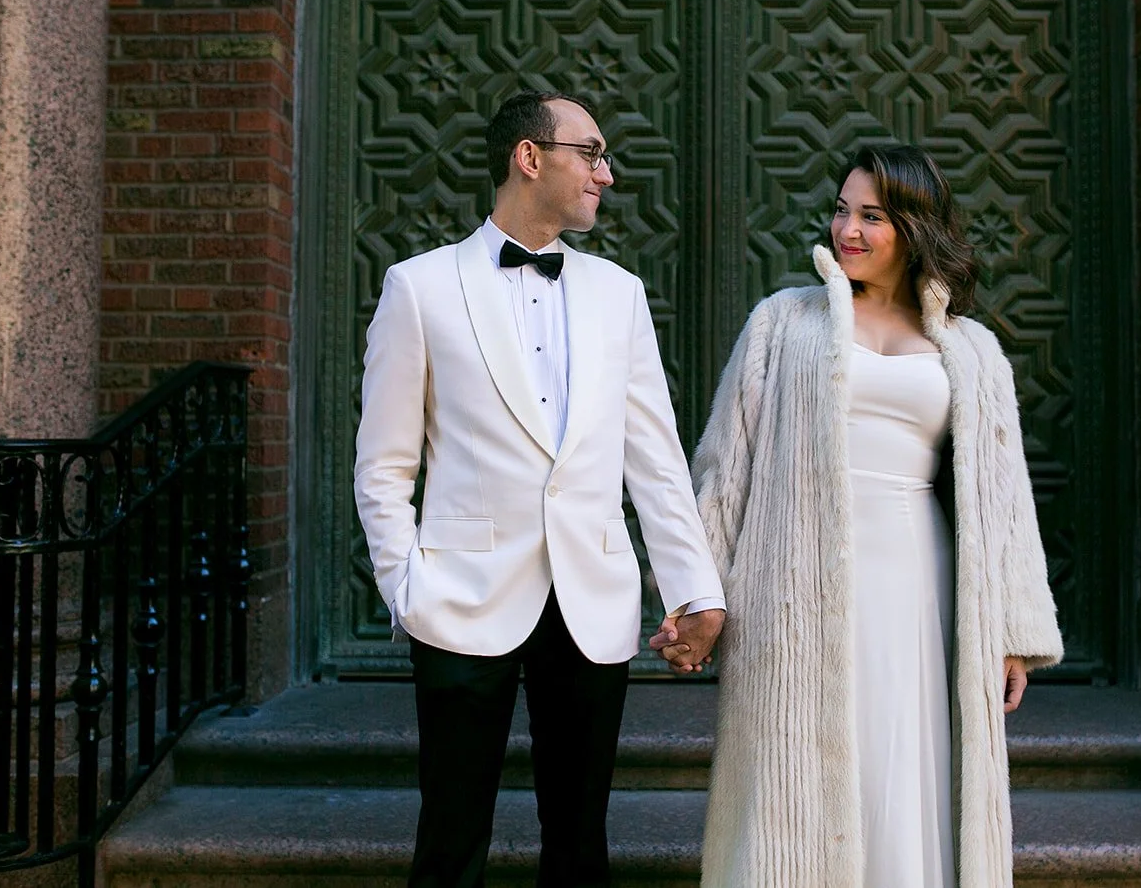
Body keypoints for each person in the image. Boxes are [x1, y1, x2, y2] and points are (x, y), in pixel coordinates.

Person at [354, 89, 727, 888]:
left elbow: (655, 457)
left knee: (579, 843)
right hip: (459, 595)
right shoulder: (418, 287)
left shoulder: (618, 294)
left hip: (590, 597)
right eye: (591, 153)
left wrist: (693, 587)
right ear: (531, 156)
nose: (608, 174)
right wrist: (406, 587)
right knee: (450, 840)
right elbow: (385, 466)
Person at [666, 144, 1063, 887]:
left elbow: (1005, 498)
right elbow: (724, 468)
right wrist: (695, 596)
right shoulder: (783, 322)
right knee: (790, 779)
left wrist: (1016, 629)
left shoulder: (973, 349)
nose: (848, 228)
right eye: (843, 210)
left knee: (903, 758)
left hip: (919, 576)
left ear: (915, 227)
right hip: (791, 576)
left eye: (872, 215)